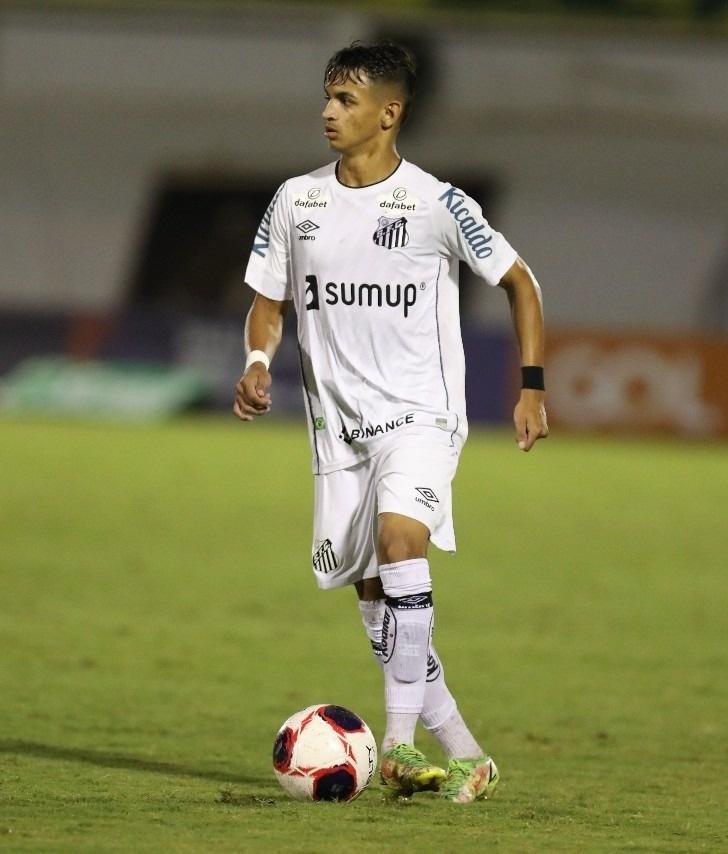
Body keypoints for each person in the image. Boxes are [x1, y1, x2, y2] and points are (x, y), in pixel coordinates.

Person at [233, 41, 548, 804]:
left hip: (421, 417)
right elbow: (269, 302)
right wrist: (258, 359)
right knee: (378, 607)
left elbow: (521, 281)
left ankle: (399, 744)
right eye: (328, 97)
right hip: (337, 435)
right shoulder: (295, 201)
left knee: (400, 542)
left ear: (389, 111)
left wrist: (531, 385)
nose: (328, 112)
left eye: (345, 99)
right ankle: (470, 755)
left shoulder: (438, 204)